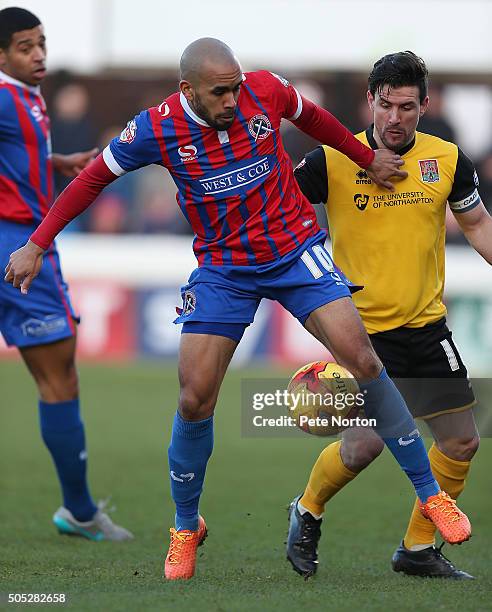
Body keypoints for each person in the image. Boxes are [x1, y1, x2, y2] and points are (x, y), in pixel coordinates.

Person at [5, 38, 471, 580]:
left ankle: (430, 494)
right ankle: (185, 527)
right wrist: (37, 243)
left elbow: (318, 120)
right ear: (188, 91)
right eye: (220, 92)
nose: (233, 99)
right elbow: (91, 179)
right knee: (194, 396)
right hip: (224, 269)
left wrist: (367, 158)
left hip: (296, 250)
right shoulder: (154, 129)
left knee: (364, 359)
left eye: (236, 86)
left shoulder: (264, 91)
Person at [288, 51, 492, 579]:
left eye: (406, 106)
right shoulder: (332, 158)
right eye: (385, 105)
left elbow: (478, 228)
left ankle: (417, 550)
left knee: (462, 440)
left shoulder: (446, 159)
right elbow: (277, 213)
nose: (395, 118)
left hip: (427, 328)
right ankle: (307, 508)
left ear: (424, 105)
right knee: (363, 446)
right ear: (370, 103)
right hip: (360, 332)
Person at [0, 7, 132, 541]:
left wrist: (55, 161)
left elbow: (16, 153)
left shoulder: (24, 97)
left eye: (42, 44)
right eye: (26, 47)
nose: (39, 55)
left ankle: (78, 508)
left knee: (57, 374)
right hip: (21, 244)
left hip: (20, 235)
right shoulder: (5, 96)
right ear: (2, 53)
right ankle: (78, 511)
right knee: (59, 379)